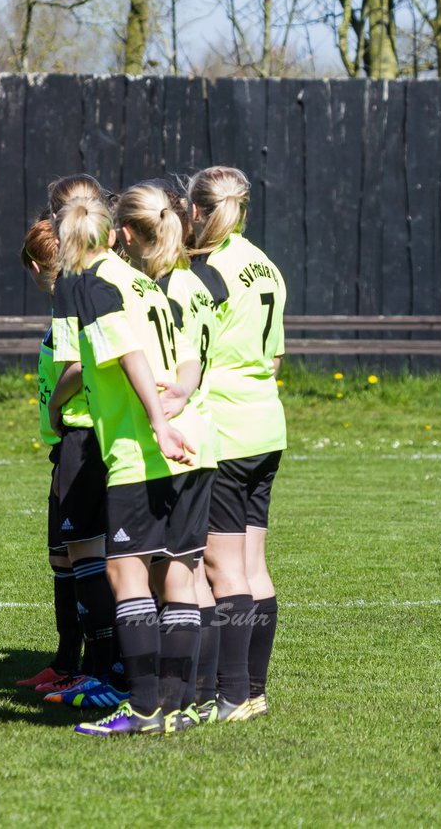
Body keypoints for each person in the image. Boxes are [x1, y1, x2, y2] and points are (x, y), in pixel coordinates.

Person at [51, 187, 214, 737]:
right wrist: (180, 402)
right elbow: (188, 358)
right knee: (181, 574)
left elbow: (127, 354)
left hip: (143, 451)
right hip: (197, 443)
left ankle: (143, 707)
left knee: (127, 576)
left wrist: (157, 421)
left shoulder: (93, 285)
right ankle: (178, 704)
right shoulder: (146, 281)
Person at [14, 217, 127, 711]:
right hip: (69, 445)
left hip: (84, 435)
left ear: (40, 267)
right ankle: (70, 663)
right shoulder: (80, 295)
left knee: (87, 559)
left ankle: (103, 668)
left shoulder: (74, 298)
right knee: (66, 558)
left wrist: (56, 407)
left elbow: (80, 367)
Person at [188, 165, 286, 722]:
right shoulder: (265, 266)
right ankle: (253, 689)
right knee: (251, 563)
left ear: (197, 212)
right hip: (266, 425)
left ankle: (230, 694)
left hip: (224, 429)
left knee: (220, 567)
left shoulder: (207, 273)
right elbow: (272, 359)